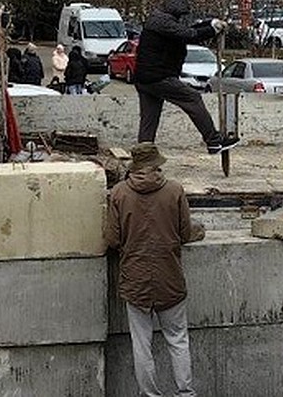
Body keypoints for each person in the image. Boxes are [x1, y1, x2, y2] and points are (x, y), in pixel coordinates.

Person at [103, 142, 205, 397]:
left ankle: (150, 395)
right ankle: (185, 393)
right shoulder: (175, 191)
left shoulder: (118, 193)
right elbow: (184, 233)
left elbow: (112, 240)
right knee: (178, 339)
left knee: (142, 345)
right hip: (170, 277)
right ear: (157, 166)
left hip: (135, 280)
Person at [134, 0, 238, 154]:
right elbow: (189, 35)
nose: (181, 18)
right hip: (159, 77)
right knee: (192, 98)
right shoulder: (162, 23)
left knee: (149, 121)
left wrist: (211, 23)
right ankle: (213, 141)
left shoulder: (158, 20)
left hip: (145, 79)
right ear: (174, 11)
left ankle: (143, 162)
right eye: (180, 15)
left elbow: (185, 30)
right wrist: (211, 30)